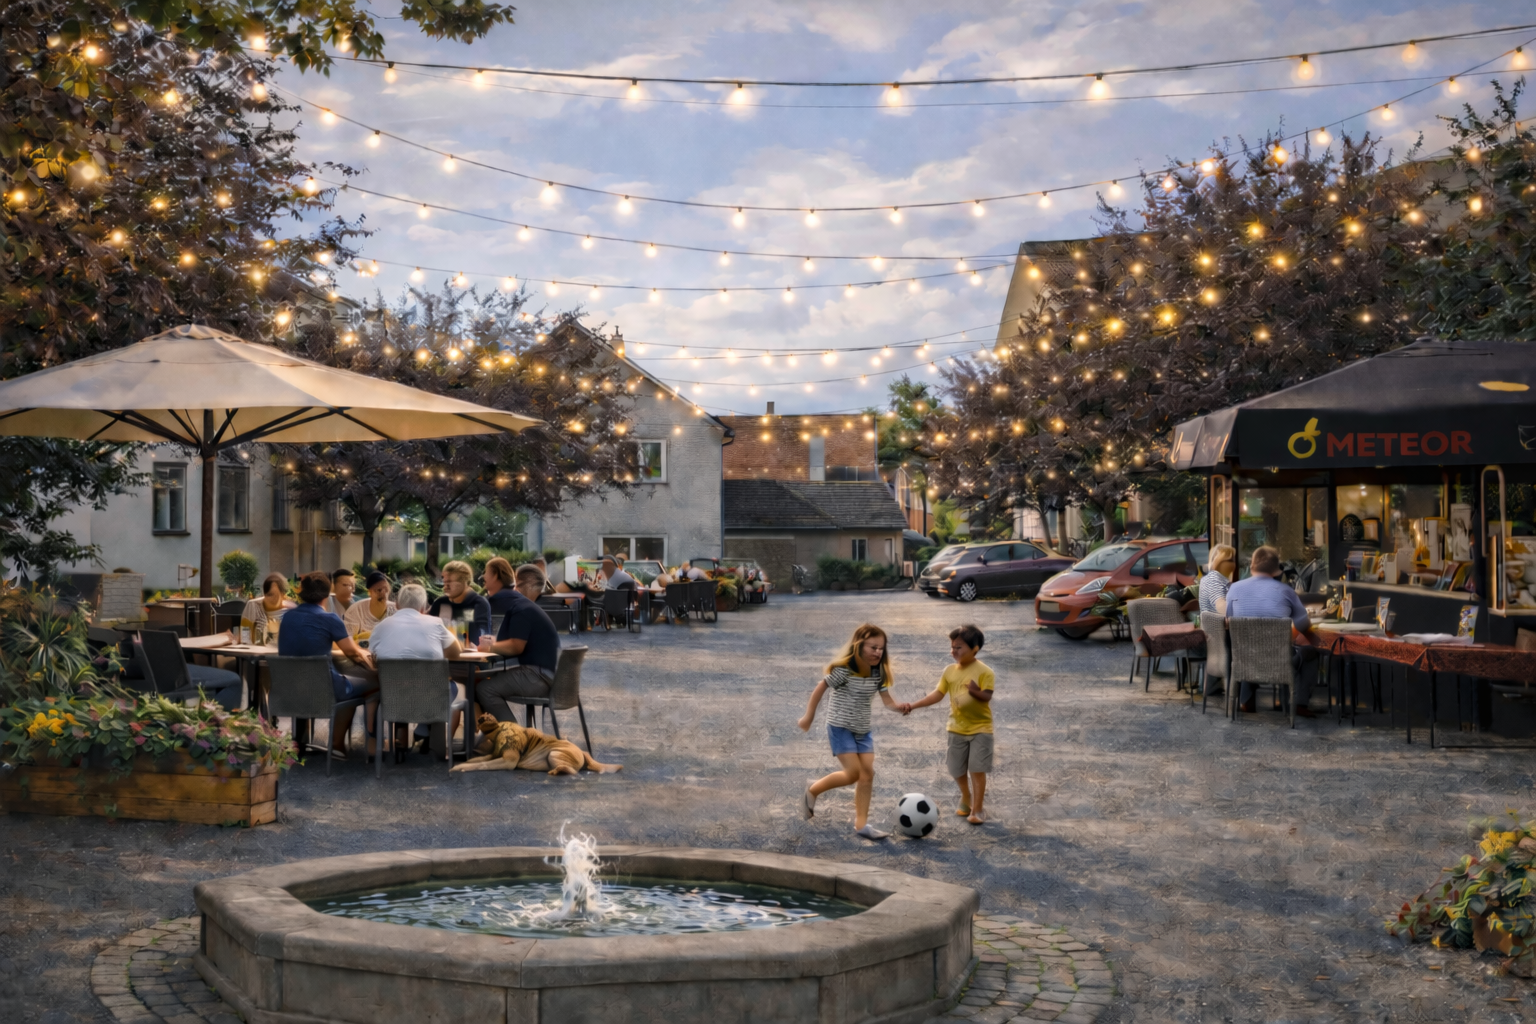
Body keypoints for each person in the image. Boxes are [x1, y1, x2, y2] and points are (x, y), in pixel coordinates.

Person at [796, 623, 908, 840]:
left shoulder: (878, 672)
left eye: (881, 648)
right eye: (873, 647)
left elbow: (887, 702)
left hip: (862, 731)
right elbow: (821, 687)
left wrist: (900, 708)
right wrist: (808, 717)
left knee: (867, 775)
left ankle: (862, 825)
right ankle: (813, 790)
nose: (877, 652)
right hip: (840, 727)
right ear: (859, 646)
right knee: (853, 773)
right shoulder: (845, 670)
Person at [277, 571, 377, 758]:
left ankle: (302, 742)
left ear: (302, 592)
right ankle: (351, 744)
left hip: (290, 690)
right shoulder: (330, 619)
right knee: (373, 684)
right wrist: (370, 659)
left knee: (309, 679)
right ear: (326, 594)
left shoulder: (288, 618)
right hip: (324, 690)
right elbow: (353, 652)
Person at [905, 624, 995, 825]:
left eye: (959, 647)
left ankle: (977, 810)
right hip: (956, 728)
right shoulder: (949, 671)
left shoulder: (985, 672)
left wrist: (974, 692)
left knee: (976, 769)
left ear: (975, 649)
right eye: (952, 647)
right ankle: (966, 796)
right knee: (956, 769)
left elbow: (987, 696)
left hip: (981, 728)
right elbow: (937, 695)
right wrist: (913, 705)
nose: (953, 651)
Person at [367, 583, 465, 755]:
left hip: (393, 696)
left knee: (386, 687)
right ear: (423, 607)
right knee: (450, 686)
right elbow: (456, 653)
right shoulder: (435, 623)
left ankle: (405, 736)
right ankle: (426, 730)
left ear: (396, 605)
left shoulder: (382, 626)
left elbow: (372, 657)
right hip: (431, 696)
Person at [1225, 545, 1321, 717]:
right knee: (1310, 653)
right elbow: (1304, 625)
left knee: (1246, 644)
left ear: (1252, 565)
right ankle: (1299, 704)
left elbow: (1230, 622)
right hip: (1279, 662)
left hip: (1245, 660)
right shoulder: (1287, 592)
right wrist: (1298, 639)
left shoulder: (1234, 589)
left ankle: (1246, 701)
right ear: (1277, 570)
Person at [476, 564, 563, 723]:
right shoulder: (528, 607)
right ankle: (491, 736)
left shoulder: (521, 608)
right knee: (482, 681)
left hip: (538, 677)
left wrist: (490, 646)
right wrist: (494, 643)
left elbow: (516, 646)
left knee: (484, 689)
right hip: (548, 675)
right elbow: (517, 642)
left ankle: (514, 738)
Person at [428, 560, 491, 644]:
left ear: (464, 582)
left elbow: (483, 635)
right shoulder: (440, 603)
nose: (445, 586)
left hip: (470, 655)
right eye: (445, 582)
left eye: (449, 582)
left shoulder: (479, 603)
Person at [239, 573, 295, 644]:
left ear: (282, 594)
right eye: (268, 595)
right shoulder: (253, 605)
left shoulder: (291, 610)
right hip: (256, 652)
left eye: (274, 595)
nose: (271, 599)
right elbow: (244, 637)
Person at [343, 571, 396, 636]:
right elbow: (348, 640)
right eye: (379, 590)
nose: (384, 593)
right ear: (370, 592)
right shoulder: (356, 611)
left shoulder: (396, 610)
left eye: (386, 589)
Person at [1199, 544, 1238, 616]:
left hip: (1215, 625)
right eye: (1231, 560)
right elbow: (1221, 606)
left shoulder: (1212, 578)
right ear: (1219, 562)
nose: (1234, 564)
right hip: (1220, 626)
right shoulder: (1214, 579)